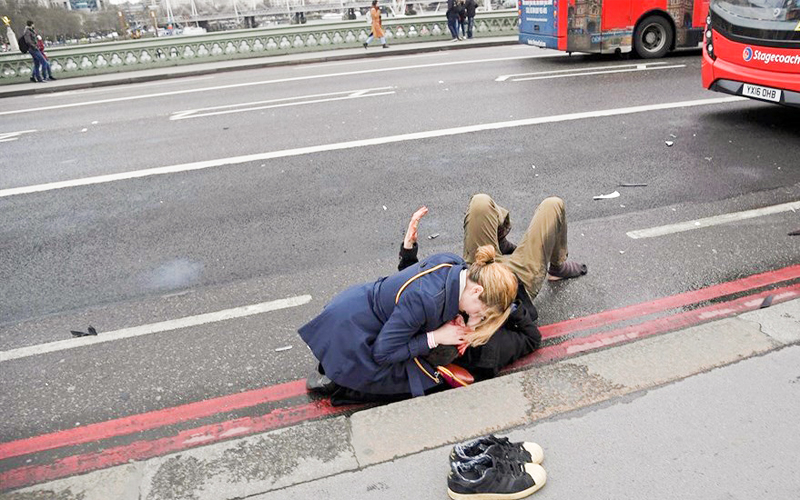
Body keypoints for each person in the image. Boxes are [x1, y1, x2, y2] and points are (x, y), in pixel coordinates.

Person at [299, 245, 518, 403]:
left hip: (358, 308)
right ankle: (340, 382)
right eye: (480, 313)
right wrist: (436, 337)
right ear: (477, 290)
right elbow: (382, 353)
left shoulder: (456, 265)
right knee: (418, 381)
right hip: (353, 335)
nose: (476, 318)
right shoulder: (425, 300)